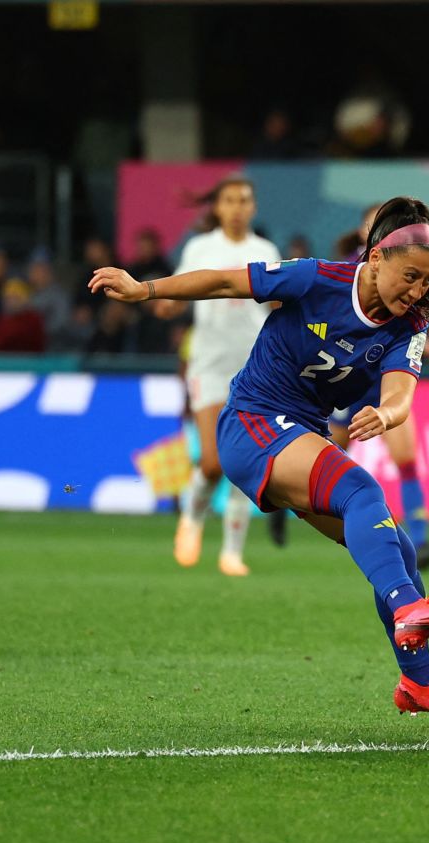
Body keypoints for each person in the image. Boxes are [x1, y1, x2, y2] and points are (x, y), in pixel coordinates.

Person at [89, 196, 429, 732]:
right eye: (410, 276)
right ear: (374, 258)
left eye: (427, 280)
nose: (417, 291)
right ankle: (407, 612)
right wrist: (147, 289)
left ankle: (418, 684)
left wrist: (386, 415)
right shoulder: (317, 278)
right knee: (361, 492)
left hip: (302, 434)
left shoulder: (407, 325)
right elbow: (226, 282)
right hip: (252, 422)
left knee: (399, 552)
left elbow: (401, 394)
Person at [154, 177, 282, 577]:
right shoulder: (200, 248)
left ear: (253, 207)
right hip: (209, 365)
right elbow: (180, 291)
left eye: (245, 200)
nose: (238, 207)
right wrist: (166, 304)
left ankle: (232, 552)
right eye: (230, 200)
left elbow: (279, 301)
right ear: (218, 207)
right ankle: (191, 518)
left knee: (244, 463)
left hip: (254, 368)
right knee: (212, 462)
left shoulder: (264, 251)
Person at [326, 202, 429, 570]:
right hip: (348, 376)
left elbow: (407, 319)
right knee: (329, 456)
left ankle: (422, 540)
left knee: (406, 457)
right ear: (367, 233)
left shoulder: (404, 269)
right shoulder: (350, 268)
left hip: (386, 375)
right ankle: (302, 512)